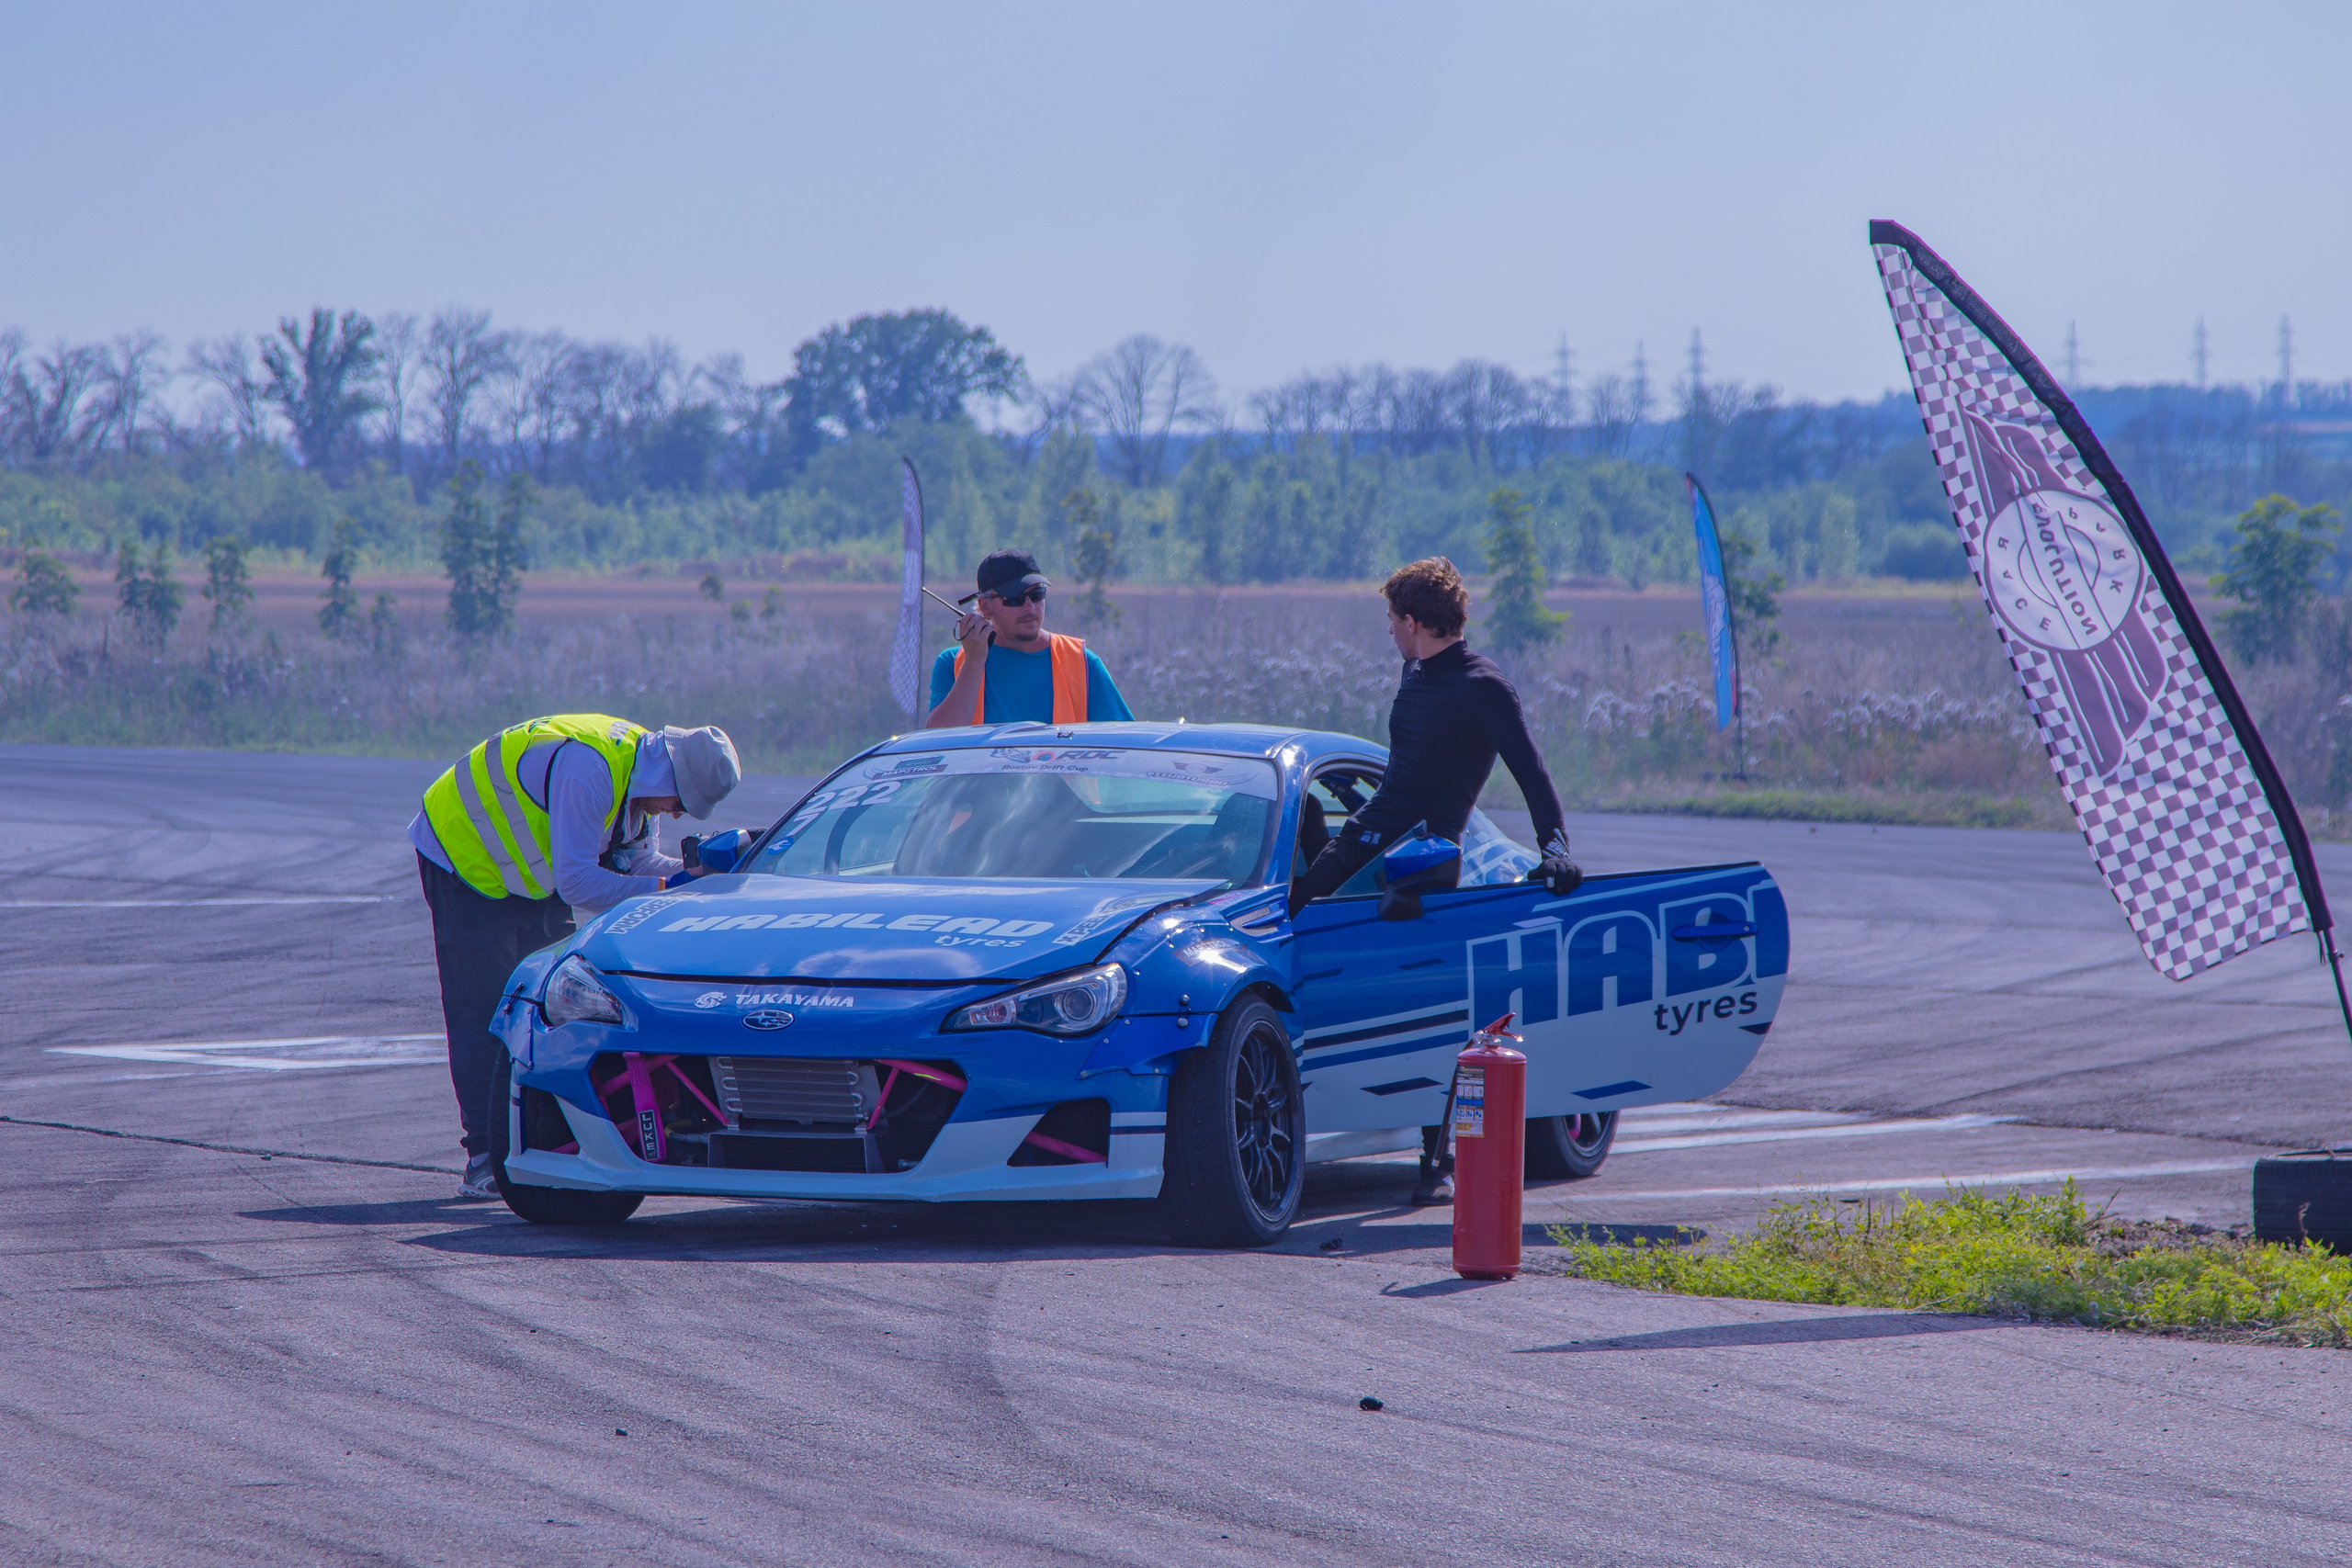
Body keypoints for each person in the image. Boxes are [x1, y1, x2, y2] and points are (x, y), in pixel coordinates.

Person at [1287, 557, 1583, 1205]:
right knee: (1294, 906)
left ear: (1414, 622)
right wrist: (1326, 863)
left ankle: (1438, 1155)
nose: (1389, 632)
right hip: (1373, 838)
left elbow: (1534, 777)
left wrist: (1555, 850)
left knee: (1433, 1009)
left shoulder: (1485, 687)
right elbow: (1397, 784)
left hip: (1434, 861)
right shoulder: (1414, 670)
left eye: (1391, 620)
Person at [408, 715, 741, 1199]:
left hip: (532, 870)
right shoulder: (590, 770)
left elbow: (632, 862)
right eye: (680, 804)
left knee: (559, 1005)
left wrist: (695, 876)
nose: (676, 816)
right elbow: (581, 883)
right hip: (465, 856)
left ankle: (550, 1147)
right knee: (482, 1013)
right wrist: (671, 887)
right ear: (668, 780)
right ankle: (485, 1158)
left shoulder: (638, 777)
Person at [925, 548, 1134, 728]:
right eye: (1015, 599)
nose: (1029, 607)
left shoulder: (1083, 663)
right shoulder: (953, 664)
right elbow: (936, 744)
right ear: (985, 607)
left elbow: (1125, 747)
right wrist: (974, 662)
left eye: (1037, 595)